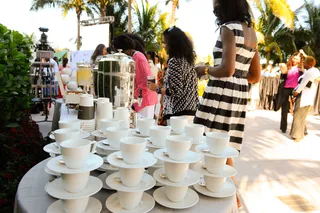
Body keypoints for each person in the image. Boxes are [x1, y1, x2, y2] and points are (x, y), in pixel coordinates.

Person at [194, 0, 261, 208]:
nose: (215, 10)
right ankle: (233, 196)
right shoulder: (252, 34)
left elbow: (227, 69)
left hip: (220, 94)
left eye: (216, 5)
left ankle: (218, 194)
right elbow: (255, 75)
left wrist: (204, 69)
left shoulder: (228, 29)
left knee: (203, 139)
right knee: (224, 146)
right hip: (238, 95)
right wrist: (237, 81)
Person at [147, 26, 199, 124]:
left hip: (179, 115)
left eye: (165, 42)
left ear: (173, 44)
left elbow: (176, 91)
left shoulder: (175, 61)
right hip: (189, 112)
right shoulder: (187, 61)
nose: (164, 46)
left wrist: (156, 88)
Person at [112, 34, 158, 118]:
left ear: (126, 50)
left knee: (143, 128)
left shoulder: (138, 58)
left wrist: (132, 96)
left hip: (145, 100)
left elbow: (148, 81)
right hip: (139, 99)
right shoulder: (132, 57)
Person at [290, 56, 320, 142]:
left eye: (305, 63)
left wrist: (296, 92)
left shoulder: (309, 73)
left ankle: (298, 135)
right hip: (308, 96)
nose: (303, 64)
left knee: (298, 115)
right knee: (302, 115)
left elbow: (303, 83)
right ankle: (303, 131)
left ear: (309, 64)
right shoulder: (313, 71)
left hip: (303, 96)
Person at [278, 51, 305, 133]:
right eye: (293, 58)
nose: (294, 60)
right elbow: (282, 77)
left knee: (298, 110)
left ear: (300, 59)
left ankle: (300, 128)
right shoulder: (288, 66)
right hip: (286, 89)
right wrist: (283, 71)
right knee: (284, 109)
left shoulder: (302, 68)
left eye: (297, 59)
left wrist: (303, 53)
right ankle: (283, 128)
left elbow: (309, 62)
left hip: (296, 90)